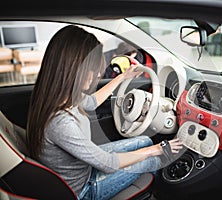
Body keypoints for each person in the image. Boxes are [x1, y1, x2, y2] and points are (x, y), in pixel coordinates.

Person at [26, 25, 183, 200]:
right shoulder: (61, 123)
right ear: (71, 69)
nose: (95, 76)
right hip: (83, 190)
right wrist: (157, 150)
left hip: (84, 167)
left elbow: (91, 102)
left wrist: (122, 77)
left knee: (145, 140)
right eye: (91, 70)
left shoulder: (58, 98)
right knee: (154, 161)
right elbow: (108, 163)